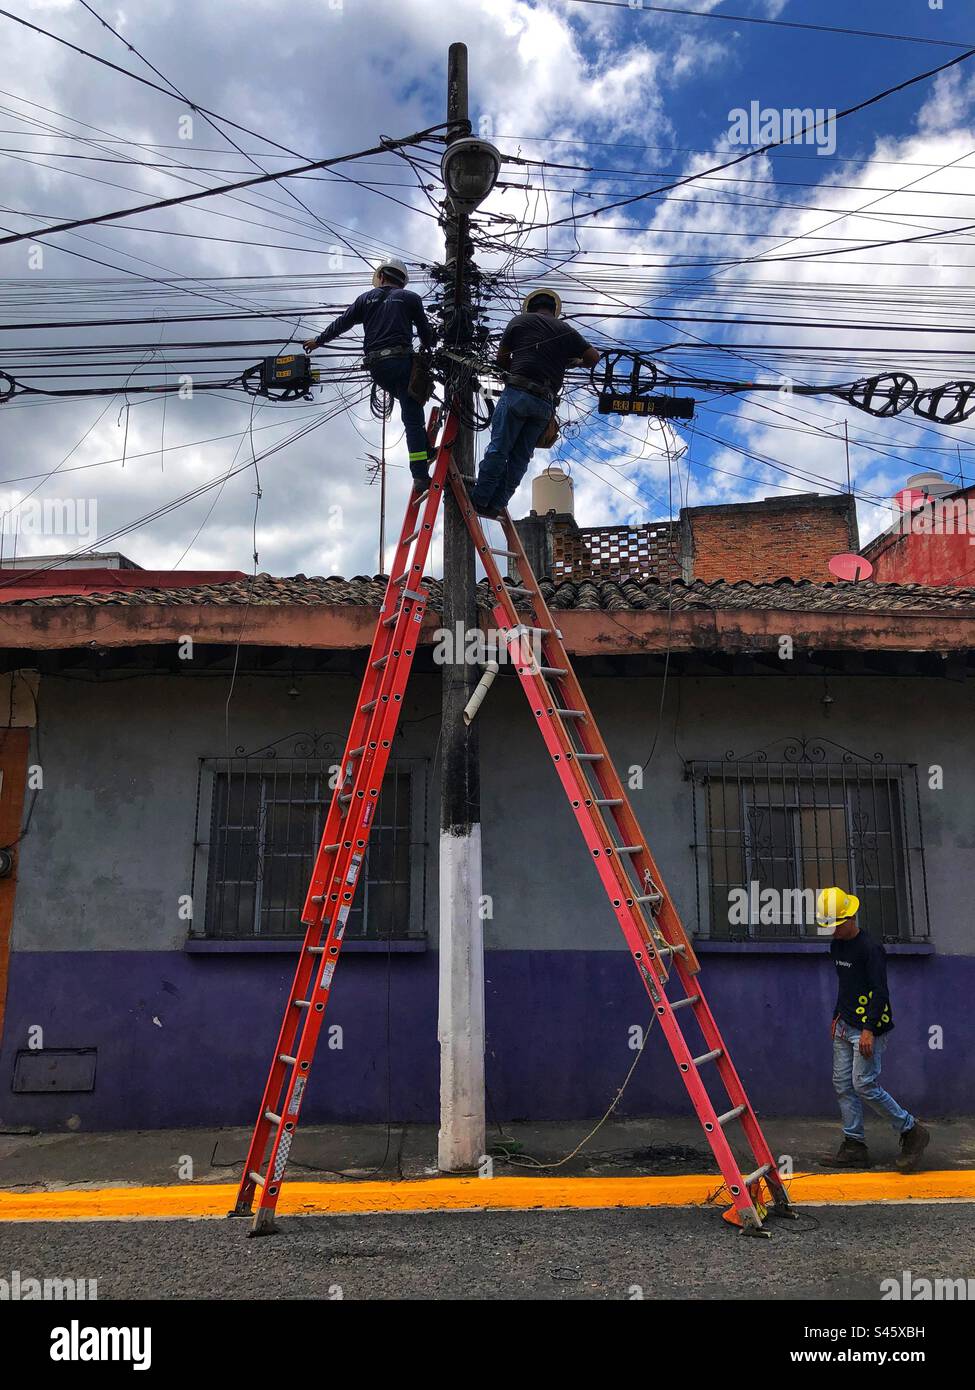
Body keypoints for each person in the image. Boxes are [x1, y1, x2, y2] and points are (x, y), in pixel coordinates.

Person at [816, 886, 930, 1172]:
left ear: (850, 917)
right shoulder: (837, 945)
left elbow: (880, 992)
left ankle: (911, 1130)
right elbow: (847, 985)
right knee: (842, 1085)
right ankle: (854, 1145)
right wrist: (836, 1018)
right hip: (843, 1025)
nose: (831, 931)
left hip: (869, 1028)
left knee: (864, 1084)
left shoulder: (870, 949)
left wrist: (867, 1030)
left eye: (835, 925)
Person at [304, 257, 435, 490]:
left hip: (378, 369)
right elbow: (425, 333)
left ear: (381, 276)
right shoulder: (411, 299)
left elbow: (341, 324)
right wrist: (429, 345)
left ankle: (425, 448)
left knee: (409, 405)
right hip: (401, 363)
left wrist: (317, 341)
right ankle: (420, 475)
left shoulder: (364, 300)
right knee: (413, 418)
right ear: (402, 281)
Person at [469, 289, 600, 518]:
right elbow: (593, 358)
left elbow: (501, 360)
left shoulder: (519, 322)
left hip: (518, 392)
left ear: (530, 307)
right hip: (544, 404)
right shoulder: (565, 330)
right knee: (520, 457)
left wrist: (514, 366)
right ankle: (497, 504)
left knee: (499, 449)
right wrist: (575, 362)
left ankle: (479, 499)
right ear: (554, 310)